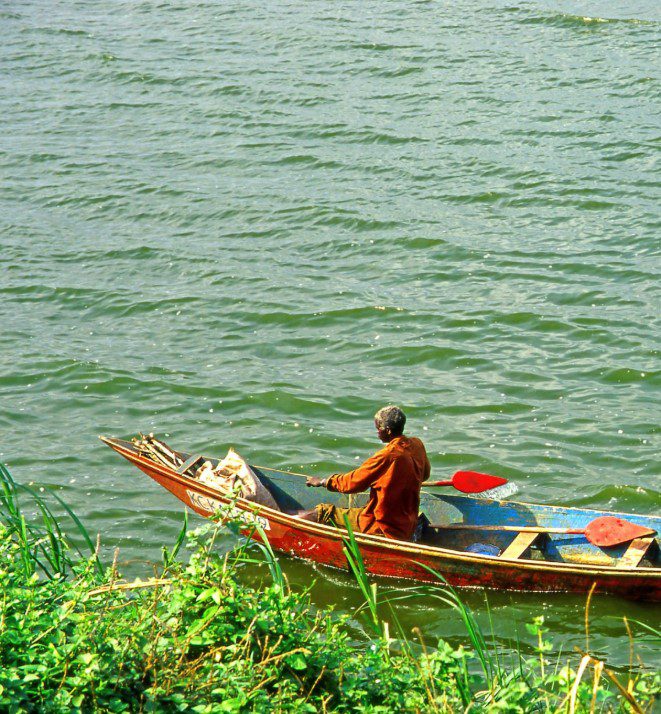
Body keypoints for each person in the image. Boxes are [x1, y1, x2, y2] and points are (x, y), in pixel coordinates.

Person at [304, 406, 430, 541]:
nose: (377, 433)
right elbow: (425, 475)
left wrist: (323, 481)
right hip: (407, 524)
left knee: (323, 512)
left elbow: (352, 483)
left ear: (388, 431)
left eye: (378, 429)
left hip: (384, 527)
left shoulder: (387, 456)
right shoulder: (417, 445)